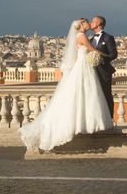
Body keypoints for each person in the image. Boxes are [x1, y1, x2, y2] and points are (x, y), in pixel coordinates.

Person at [18, 18, 113, 152]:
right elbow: (93, 50)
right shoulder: (83, 36)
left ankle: (83, 123)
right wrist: (103, 55)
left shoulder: (81, 36)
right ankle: (84, 124)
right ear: (81, 25)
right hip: (84, 67)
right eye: (86, 22)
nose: (89, 24)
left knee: (82, 95)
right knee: (87, 94)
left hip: (83, 66)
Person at [89, 15, 117, 117]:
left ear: (99, 23)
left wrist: (100, 58)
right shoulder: (91, 39)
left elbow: (113, 54)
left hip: (104, 71)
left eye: (93, 21)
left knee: (106, 94)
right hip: (92, 72)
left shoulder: (108, 37)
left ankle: (109, 118)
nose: (91, 23)